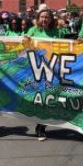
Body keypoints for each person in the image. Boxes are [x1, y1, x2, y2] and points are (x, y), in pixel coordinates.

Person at [26, 8, 64, 141]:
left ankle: (41, 127)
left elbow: (65, 48)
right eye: (42, 17)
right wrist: (25, 40)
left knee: (47, 99)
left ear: (51, 19)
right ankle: (40, 126)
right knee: (38, 99)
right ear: (38, 19)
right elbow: (24, 46)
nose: (44, 19)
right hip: (36, 70)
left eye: (46, 17)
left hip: (52, 71)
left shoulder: (57, 32)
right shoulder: (33, 31)